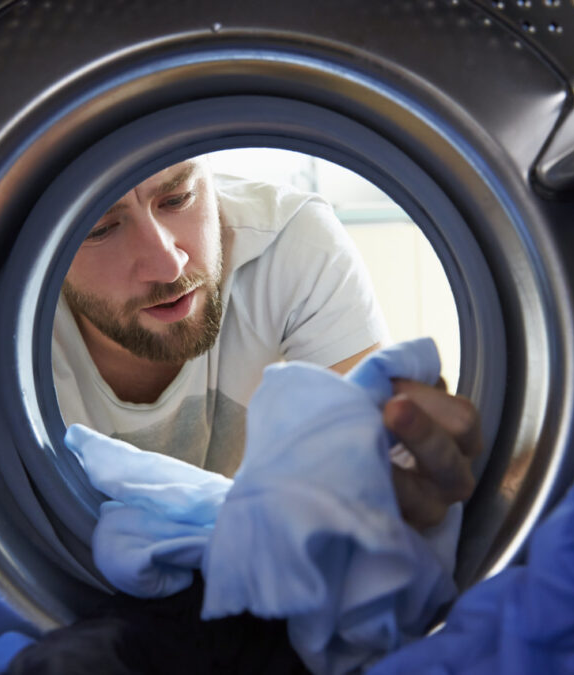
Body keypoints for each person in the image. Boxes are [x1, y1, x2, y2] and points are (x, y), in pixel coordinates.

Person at [52, 157, 479, 529]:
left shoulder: (292, 245)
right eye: (101, 228)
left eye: (178, 199)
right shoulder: (3, 323)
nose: (168, 265)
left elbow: (370, 472)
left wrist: (404, 475)